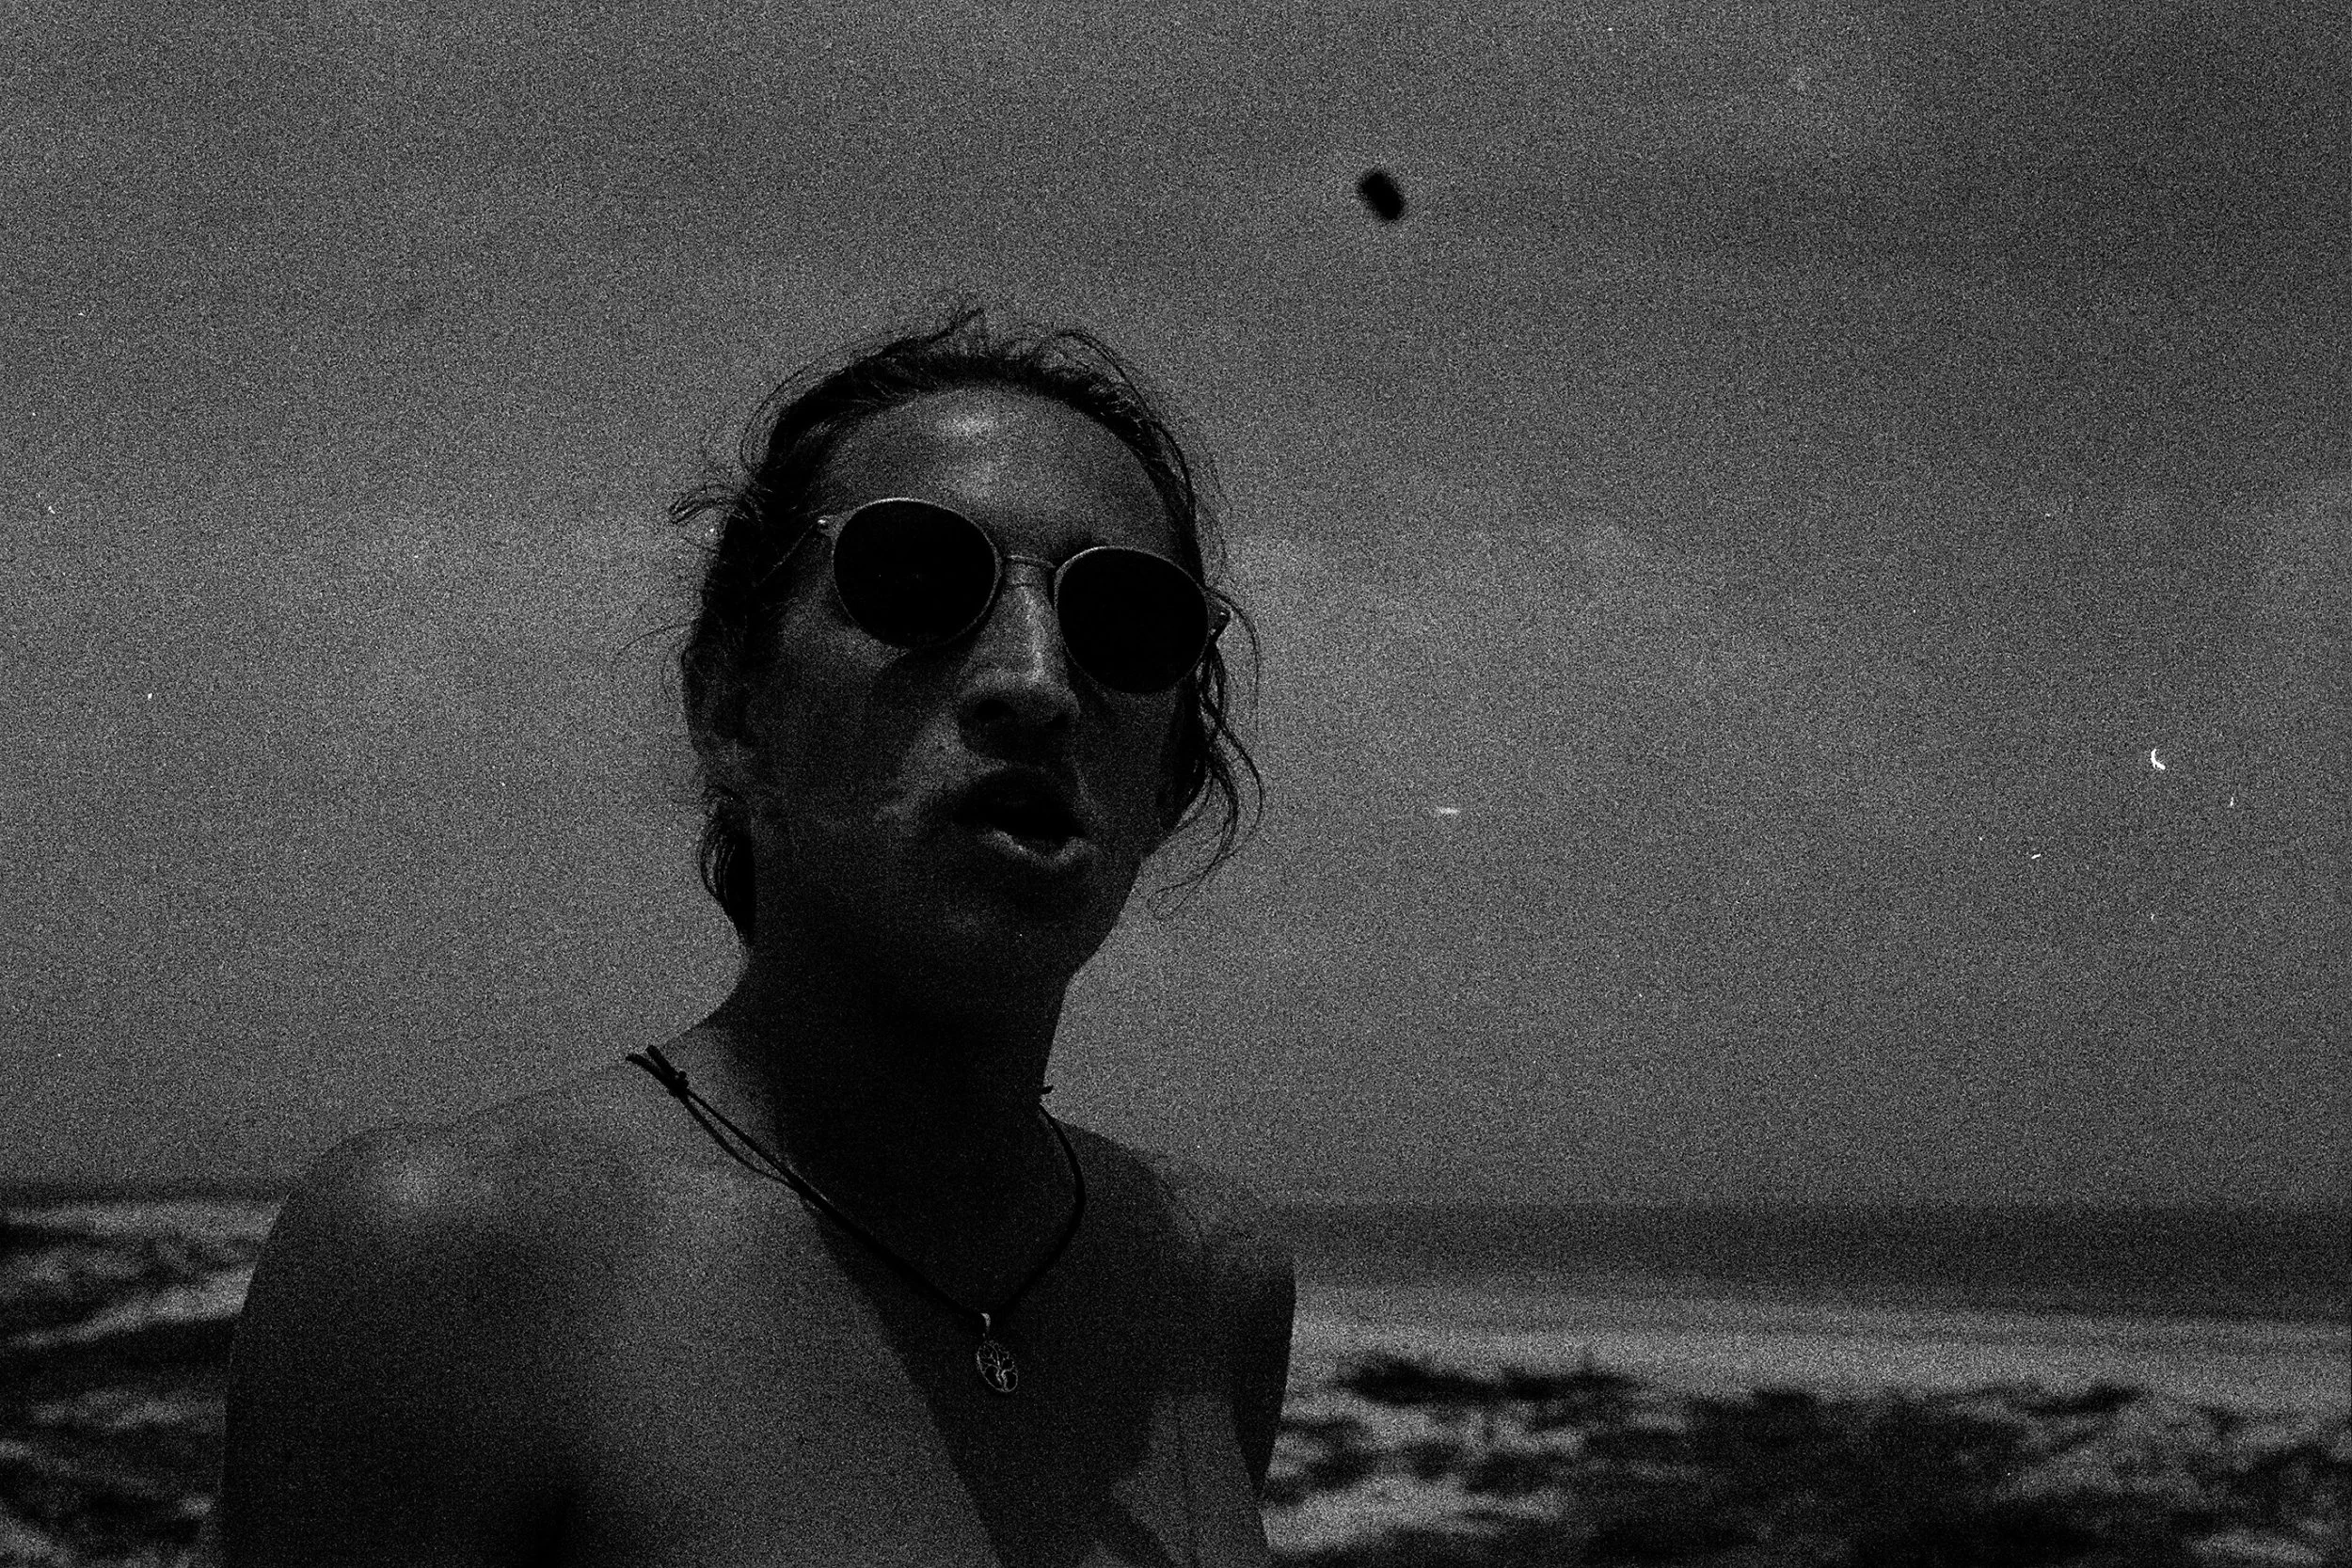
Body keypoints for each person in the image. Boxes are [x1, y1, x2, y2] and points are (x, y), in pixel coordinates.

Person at [217, 308, 1295, 1566]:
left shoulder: (1206, 1283)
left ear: (1168, 781)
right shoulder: (450, 1259)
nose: (1037, 681)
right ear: (732, 702)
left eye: (1125, 619)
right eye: (915, 580)